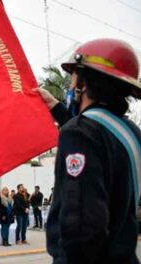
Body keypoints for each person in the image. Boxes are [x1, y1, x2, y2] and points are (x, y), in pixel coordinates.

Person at [36, 38, 141, 263]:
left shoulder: (80, 132)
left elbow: (82, 224)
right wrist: (57, 108)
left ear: (84, 83)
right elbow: (95, 138)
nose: (71, 86)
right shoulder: (131, 132)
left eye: (73, 77)